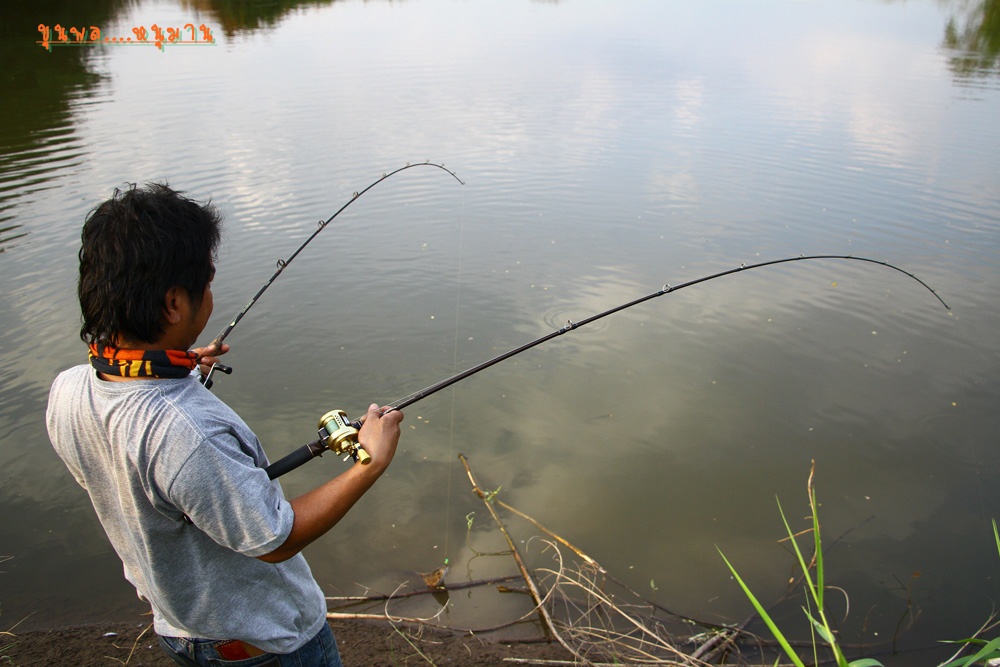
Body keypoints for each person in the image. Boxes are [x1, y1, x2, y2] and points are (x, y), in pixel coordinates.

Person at [46, 183, 403, 666]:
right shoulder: (190, 434)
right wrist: (368, 464)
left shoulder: (67, 390)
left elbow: (147, 453)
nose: (210, 294)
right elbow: (275, 539)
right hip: (265, 644)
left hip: (179, 626)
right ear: (175, 305)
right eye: (205, 284)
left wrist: (177, 366)